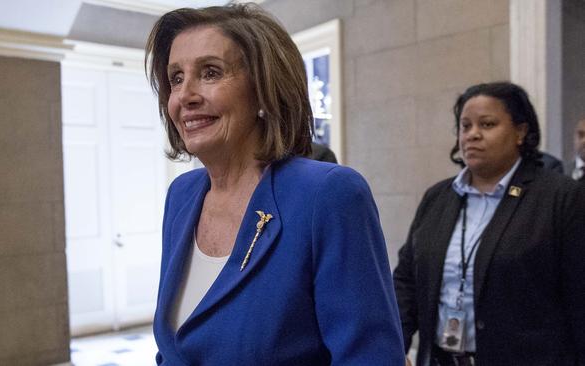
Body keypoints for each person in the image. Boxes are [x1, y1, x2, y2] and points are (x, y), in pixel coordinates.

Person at [145, 4, 404, 365]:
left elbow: (368, 357)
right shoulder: (182, 195)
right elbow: (174, 348)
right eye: (175, 78)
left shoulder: (328, 194)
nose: (184, 95)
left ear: (264, 91)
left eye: (210, 73)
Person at [393, 82, 585, 366]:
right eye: (465, 126)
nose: (472, 135)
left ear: (521, 131)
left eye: (487, 124)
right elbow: (407, 282)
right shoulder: (438, 197)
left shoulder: (561, 197)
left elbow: (578, 299)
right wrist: (394, 345)